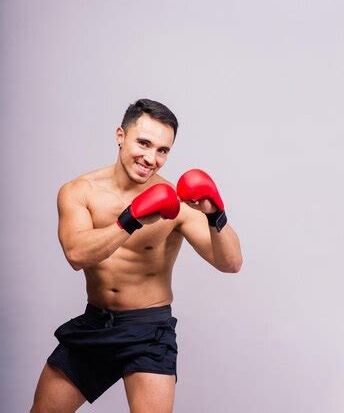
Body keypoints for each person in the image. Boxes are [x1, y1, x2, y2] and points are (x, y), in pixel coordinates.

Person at [30, 98, 243, 413]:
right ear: (120, 135)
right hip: (96, 323)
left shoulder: (178, 203)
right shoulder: (79, 191)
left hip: (148, 330)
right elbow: (76, 254)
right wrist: (130, 219)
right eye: (144, 143)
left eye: (162, 150)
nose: (151, 158)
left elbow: (231, 263)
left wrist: (216, 216)